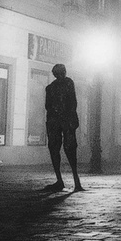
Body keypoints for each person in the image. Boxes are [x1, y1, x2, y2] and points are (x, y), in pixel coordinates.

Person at [44, 63, 83, 192]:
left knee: (63, 149)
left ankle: (67, 181)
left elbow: (49, 106)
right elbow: (72, 103)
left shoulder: (54, 87)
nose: (61, 75)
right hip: (61, 121)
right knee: (62, 149)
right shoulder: (63, 84)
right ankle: (70, 181)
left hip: (60, 121)